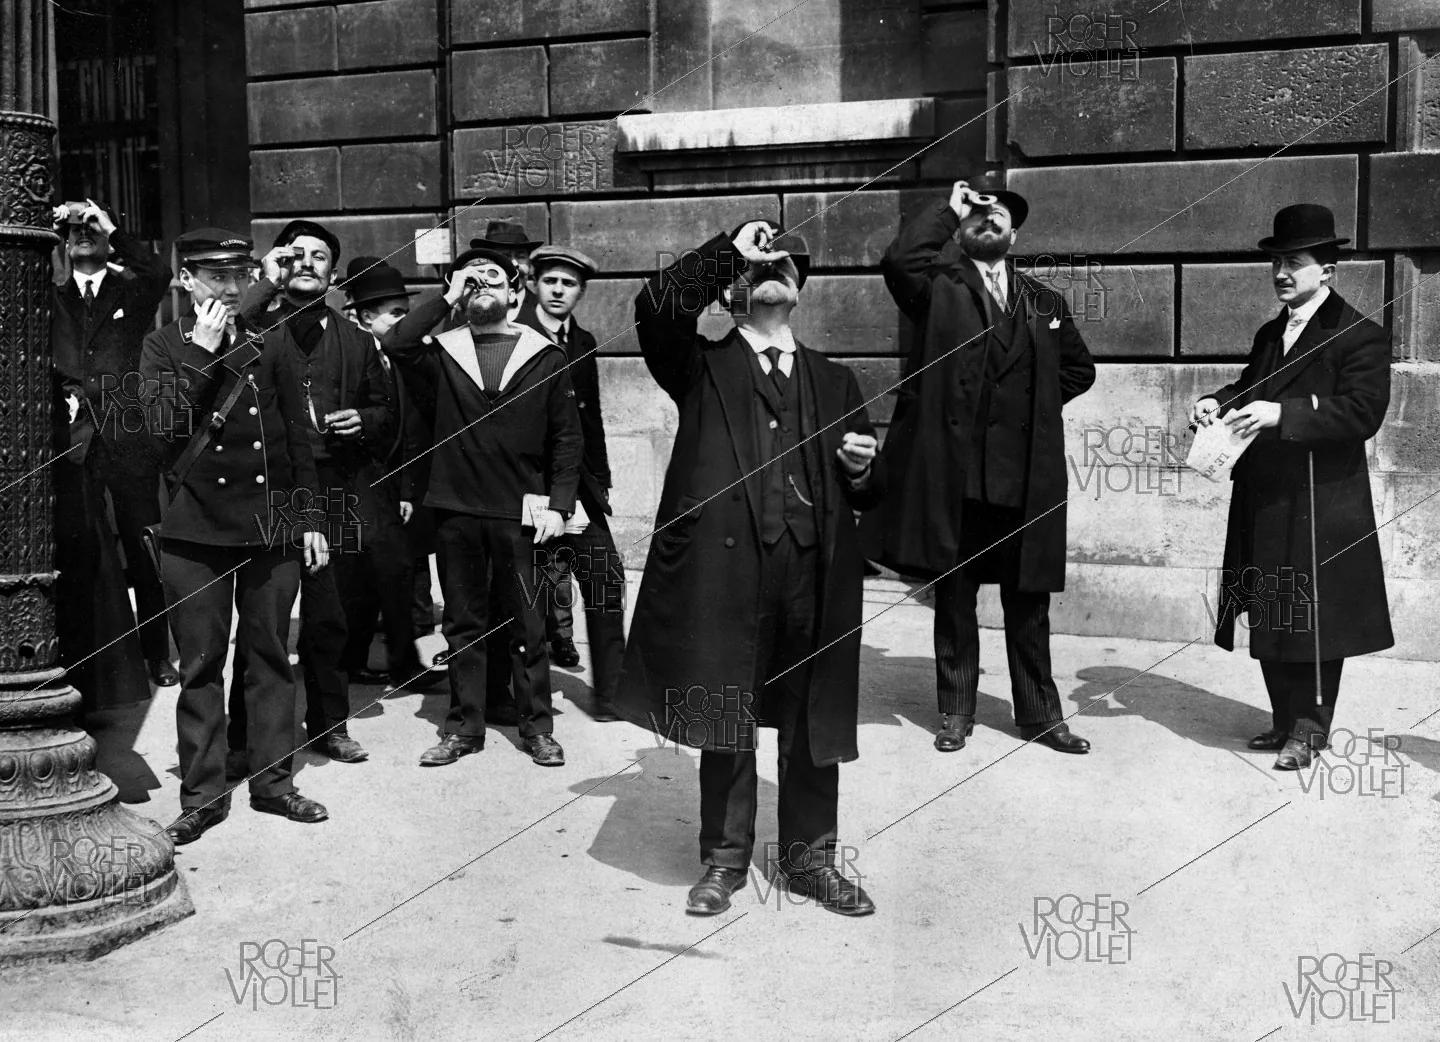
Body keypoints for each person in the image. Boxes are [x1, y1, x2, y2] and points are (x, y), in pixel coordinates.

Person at [615, 220, 881, 917]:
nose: (773, 272)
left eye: (787, 267)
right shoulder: (701, 366)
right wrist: (732, 248)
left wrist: (862, 472)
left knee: (811, 719)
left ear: (800, 291)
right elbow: (655, 307)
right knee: (725, 708)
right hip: (726, 571)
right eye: (761, 266)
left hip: (812, 573)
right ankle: (724, 860)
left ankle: (810, 862)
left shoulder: (836, 380)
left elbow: (867, 486)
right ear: (737, 285)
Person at [867, 171, 1096, 756]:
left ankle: (1040, 715)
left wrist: (1032, 407)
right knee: (955, 596)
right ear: (962, 230)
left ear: (1014, 236)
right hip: (958, 477)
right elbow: (899, 260)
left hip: (1025, 477)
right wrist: (950, 207)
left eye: (1000, 215)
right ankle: (955, 712)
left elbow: (1080, 370)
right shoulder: (936, 288)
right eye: (977, 214)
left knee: (1029, 603)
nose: (988, 218)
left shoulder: (1044, 301)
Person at [138, 228, 329, 845]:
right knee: (200, 666)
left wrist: (310, 519)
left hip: (269, 527)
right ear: (185, 281)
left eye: (237, 276)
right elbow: (161, 430)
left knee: (269, 658)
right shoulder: (164, 345)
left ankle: (275, 783)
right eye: (214, 276)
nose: (227, 288)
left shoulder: (270, 339)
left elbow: (297, 438)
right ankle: (202, 795)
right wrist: (201, 351)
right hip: (195, 531)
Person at [1192, 203, 1393, 770]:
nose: (1281, 273)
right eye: (1276, 263)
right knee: (1270, 606)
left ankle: (1309, 729)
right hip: (1265, 493)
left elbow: (1363, 412)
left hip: (1320, 498)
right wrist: (1216, 401)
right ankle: (1283, 719)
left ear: (1327, 269)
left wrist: (1284, 415)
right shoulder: (1270, 333)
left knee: (1314, 616)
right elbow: (1251, 387)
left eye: (1294, 263)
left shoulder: (1359, 335)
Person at [382, 247, 582, 768]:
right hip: (456, 509)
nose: (481, 284)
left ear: (516, 291)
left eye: (493, 276)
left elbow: (566, 439)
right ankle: (464, 727)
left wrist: (561, 505)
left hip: (524, 512)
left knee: (528, 623)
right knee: (463, 623)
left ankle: (537, 727)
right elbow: (397, 342)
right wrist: (447, 295)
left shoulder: (545, 355)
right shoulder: (441, 353)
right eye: (470, 278)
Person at [227, 220, 395, 765]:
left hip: (336, 486)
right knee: (263, 616)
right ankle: (243, 736)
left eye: (318, 256)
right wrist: (264, 283)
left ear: (334, 275)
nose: (306, 263)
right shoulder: (256, 328)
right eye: (293, 255)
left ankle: (330, 725)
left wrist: (364, 419)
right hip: (271, 488)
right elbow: (229, 345)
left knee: (330, 616)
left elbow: (387, 413)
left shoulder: (358, 341)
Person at [50, 198, 178, 700]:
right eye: (74, 229)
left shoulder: (130, 287)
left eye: (92, 226)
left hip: (128, 436)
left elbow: (159, 271)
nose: (83, 233)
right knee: (83, 547)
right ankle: (89, 658)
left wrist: (110, 225)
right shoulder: (52, 292)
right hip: (75, 439)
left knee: (143, 547)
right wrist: (48, 229)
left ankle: (157, 652)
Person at [511, 244, 624, 720]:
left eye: (569, 284)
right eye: (550, 281)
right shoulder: (513, 333)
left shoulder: (583, 340)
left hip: (579, 486)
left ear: (581, 292)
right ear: (533, 284)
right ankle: (523, 699)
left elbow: (589, 415)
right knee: (527, 593)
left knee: (605, 578)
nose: (558, 290)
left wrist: (601, 477)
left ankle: (612, 695)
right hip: (529, 486)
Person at [337, 256, 437, 690]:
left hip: (395, 486)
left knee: (393, 574)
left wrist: (408, 489)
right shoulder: (349, 357)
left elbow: (413, 429)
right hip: (359, 485)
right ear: (364, 317)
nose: (404, 322)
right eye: (395, 314)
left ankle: (394, 663)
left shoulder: (405, 358)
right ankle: (375, 663)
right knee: (368, 578)